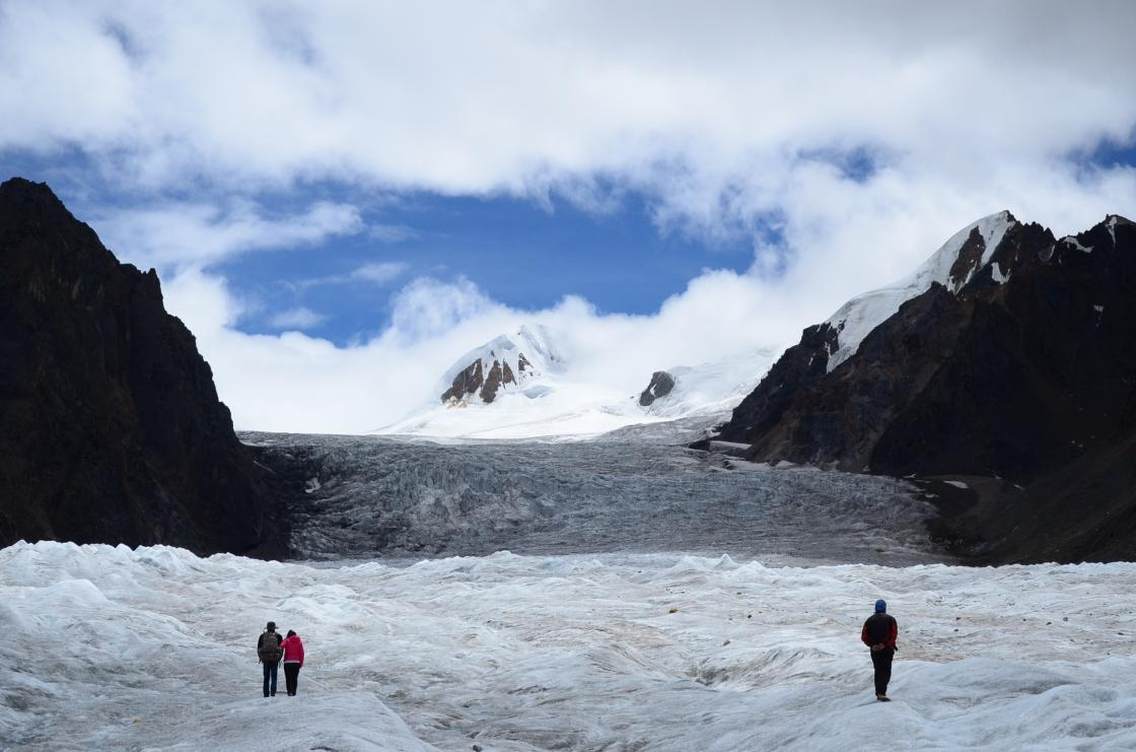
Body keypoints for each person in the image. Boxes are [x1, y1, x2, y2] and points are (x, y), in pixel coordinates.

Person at [860, 599, 898, 701]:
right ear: (885, 608)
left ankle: (879, 693)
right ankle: (882, 693)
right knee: (886, 670)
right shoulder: (891, 619)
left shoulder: (869, 620)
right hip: (887, 649)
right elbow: (893, 635)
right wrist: (884, 644)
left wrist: (872, 645)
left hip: (875, 650)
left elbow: (864, 636)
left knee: (878, 670)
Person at [257, 621, 284, 697]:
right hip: (275, 659)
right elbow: (282, 649)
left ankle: (266, 693)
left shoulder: (262, 636)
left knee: (266, 677)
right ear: (274, 628)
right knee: (274, 676)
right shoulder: (278, 636)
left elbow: (259, 648)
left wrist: (262, 658)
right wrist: (278, 658)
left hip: (265, 660)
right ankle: (273, 693)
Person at [281, 629, 305, 696]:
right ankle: (294, 692)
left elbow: (281, 646)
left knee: (288, 678)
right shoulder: (299, 642)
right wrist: (301, 662)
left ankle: (289, 692)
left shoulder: (287, 640)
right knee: (294, 678)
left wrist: (285, 639)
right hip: (296, 663)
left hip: (287, 663)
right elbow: (302, 653)